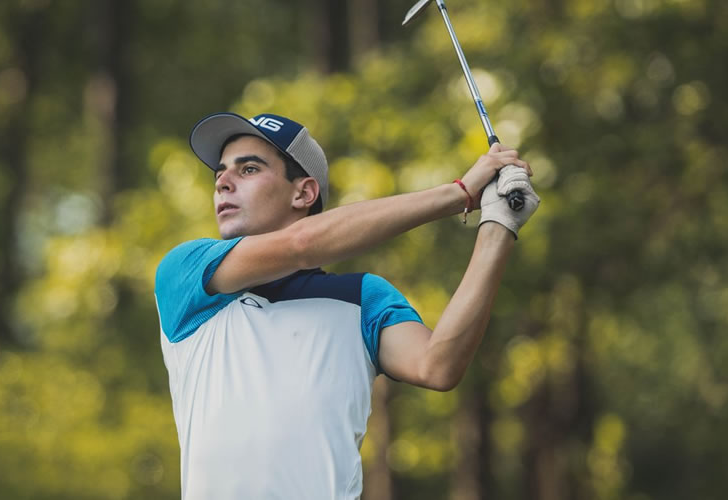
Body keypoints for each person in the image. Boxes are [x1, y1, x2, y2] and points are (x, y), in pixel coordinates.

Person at [154, 112, 540, 499]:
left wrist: (498, 224)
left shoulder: (363, 299)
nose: (223, 182)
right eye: (219, 173)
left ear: (303, 193)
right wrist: (460, 193)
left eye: (249, 169)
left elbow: (437, 365)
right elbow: (301, 244)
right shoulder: (188, 275)